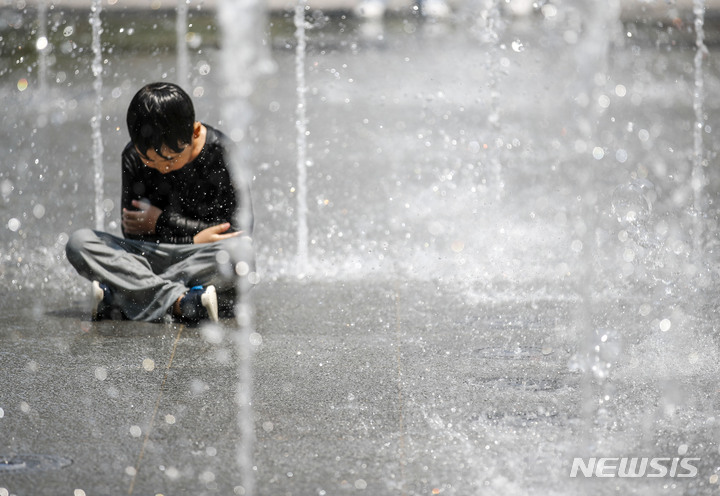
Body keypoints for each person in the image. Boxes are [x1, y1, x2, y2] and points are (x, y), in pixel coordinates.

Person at [66, 82, 253, 324]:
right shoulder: (133, 157)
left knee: (241, 257)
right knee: (79, 243)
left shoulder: (223, 153)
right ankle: (183, 302)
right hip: (150, 256)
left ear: (195, 132)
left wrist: (164, 223)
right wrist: (193, 233)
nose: (162, 168)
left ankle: (126, 294)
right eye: (150, 161)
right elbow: (134, 233)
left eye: (171, 159)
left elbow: (236, 229)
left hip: (201, 255)